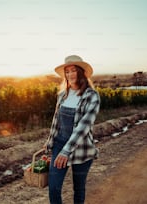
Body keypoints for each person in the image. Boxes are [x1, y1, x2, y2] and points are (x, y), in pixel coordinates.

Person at [44, 55, 100, 204]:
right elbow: (56, 122)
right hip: (60, 143)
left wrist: (66, 151)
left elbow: (84, 126)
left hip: (82, 147)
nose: (70, 75)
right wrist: (50, 143)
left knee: (79, 188)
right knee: (54, 187)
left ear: (81, 73)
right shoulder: (62, 95)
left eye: (73, 71)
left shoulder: (92, 96)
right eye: (67, 72)